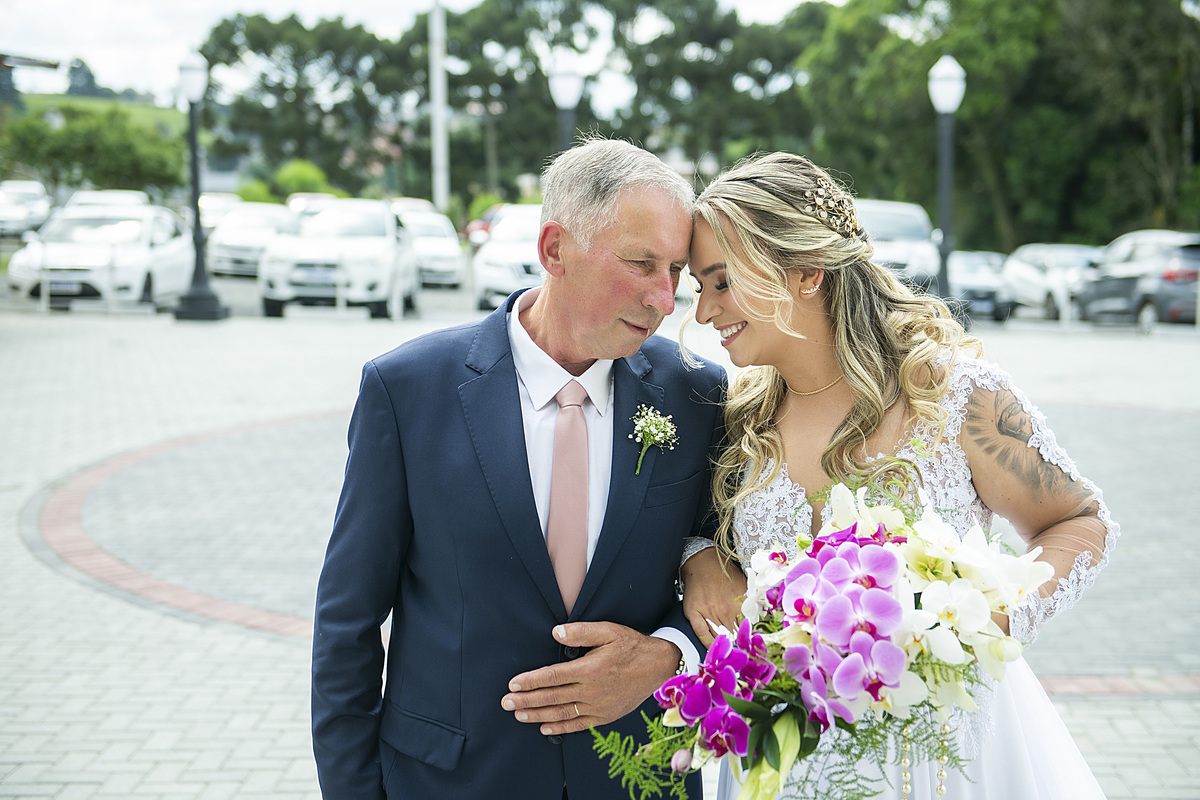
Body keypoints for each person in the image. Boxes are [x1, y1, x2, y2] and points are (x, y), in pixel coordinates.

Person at [678, 152, 1117, 799]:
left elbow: (1080, 522)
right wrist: (699, 559)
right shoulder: (739, 421)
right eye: (698, 287)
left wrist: (985, 621)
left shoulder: (953, 396)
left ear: (806, 271)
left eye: (721, 282)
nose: (704, 312)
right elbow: (689, 530)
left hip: (947, 755)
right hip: (790, 757)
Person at [310, 137, 727, 800]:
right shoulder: (408, 389)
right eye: (641, 263)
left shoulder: (697, 394)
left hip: (637, 778)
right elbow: (347, 623)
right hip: (451, 780)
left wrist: (669, 656)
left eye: (675, 269)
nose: (663, 297)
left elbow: (734, 578)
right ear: (555, 249)